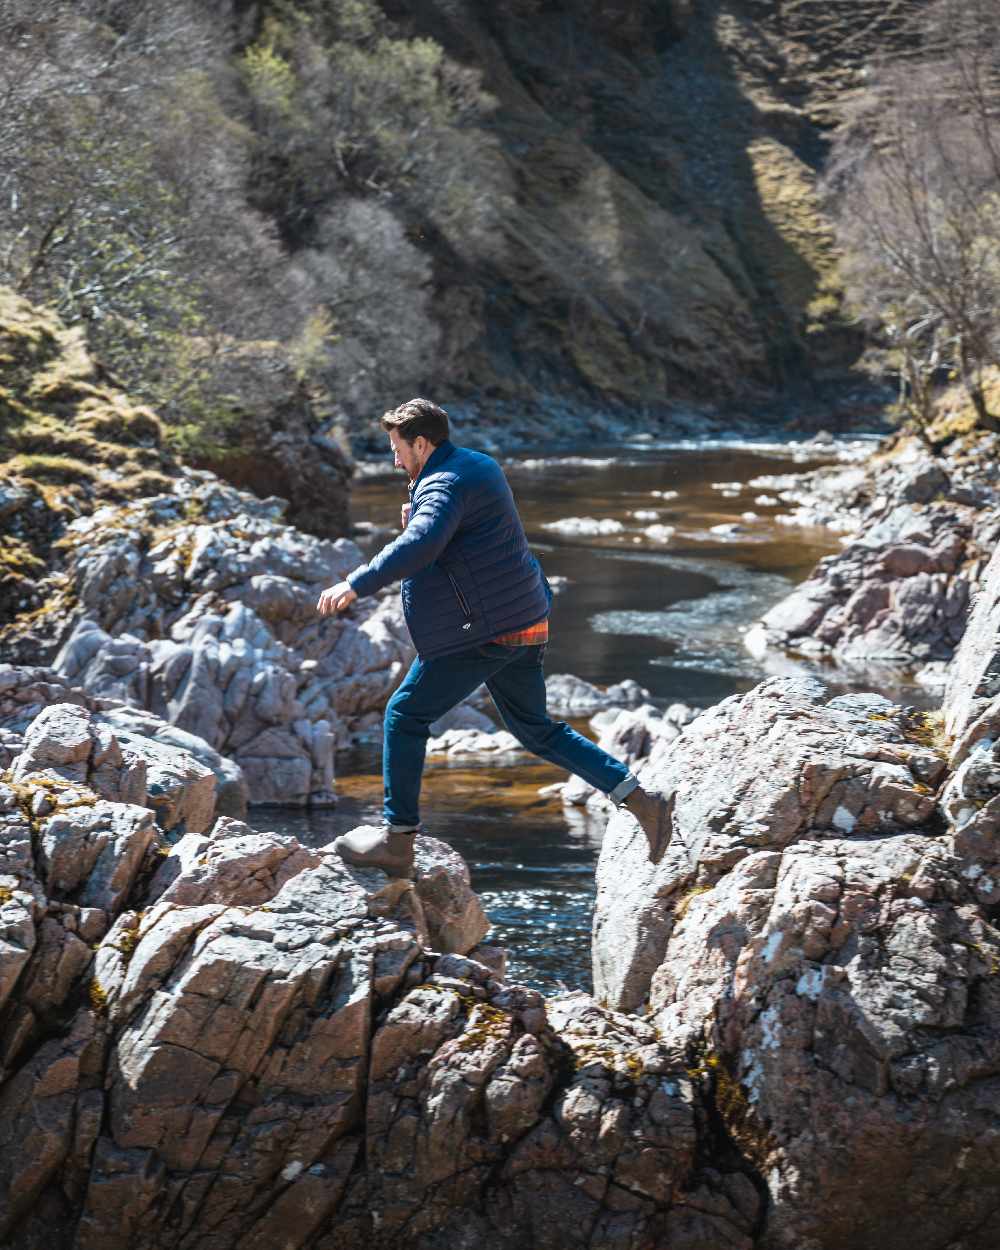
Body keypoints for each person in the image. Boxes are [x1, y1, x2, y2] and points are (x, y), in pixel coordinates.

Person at [316, 398, 673, 877]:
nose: (394, 460)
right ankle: (641, 800)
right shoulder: (475, 465)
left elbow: (422, 543)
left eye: (397, 449)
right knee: (535, 728)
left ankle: (397, 843)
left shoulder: (442, 483)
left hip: (485, 631)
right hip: (524, 618)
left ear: (421, 443)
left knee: (404, 714)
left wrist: (354, 583)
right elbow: (463, 537)